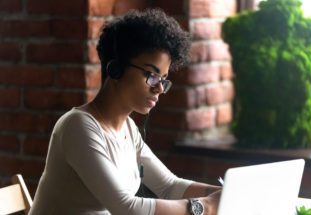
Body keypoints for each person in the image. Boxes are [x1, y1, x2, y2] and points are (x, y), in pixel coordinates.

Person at [29, 8, 221, 215]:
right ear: (116, 69)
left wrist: (223, 194)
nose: (159, 89)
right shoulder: (77, 126)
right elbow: (127, 208)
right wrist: (207, 207)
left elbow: (169, 186)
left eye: (163, 80)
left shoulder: (128, 129)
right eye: (152, 75)